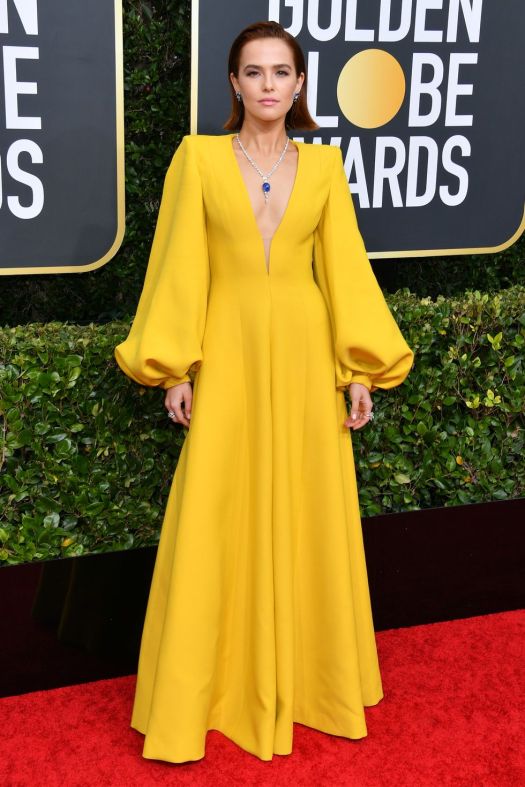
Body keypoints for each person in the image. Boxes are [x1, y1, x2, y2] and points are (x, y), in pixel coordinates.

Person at [114, 20, 414, 764]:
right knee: (216, 510)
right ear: (234, 83)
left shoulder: (324, 166)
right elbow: (178, 264)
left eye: (281, 72)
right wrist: (175, 367)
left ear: (300, 83)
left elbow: (344, 269)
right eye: (254, 72)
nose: (268, 85)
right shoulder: (198, 159)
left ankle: (313, 683)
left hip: (306, 358)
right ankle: (207, 691)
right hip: (229, 353)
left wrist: (357, 369)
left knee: (307, 510)